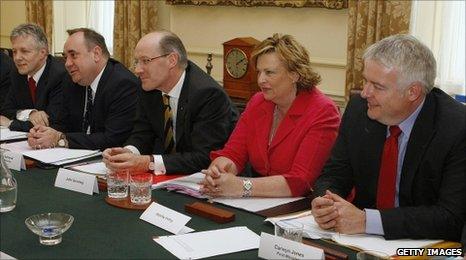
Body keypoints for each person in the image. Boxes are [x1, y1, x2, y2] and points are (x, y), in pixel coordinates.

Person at [311, 34, 465, 241]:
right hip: (361, 242)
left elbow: (450, 217)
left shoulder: (456, 129)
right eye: (365, 81)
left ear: (413, 92)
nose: (365, 93)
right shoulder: (359, 110)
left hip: (427, 246)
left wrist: (367, 221)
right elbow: (334, 174)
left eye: (378, 86)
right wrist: (325, 203)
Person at [200, 34, 340, 198]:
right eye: (259, 72)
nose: (260, 80)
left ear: (295, 74)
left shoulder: (323, 111)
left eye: (269, 73)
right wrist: (218, 171)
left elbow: (301, 180)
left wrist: (242, 186)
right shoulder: (258, 102)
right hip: (261, 201)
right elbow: (233, 153)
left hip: (307, 207)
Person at [102, 30, 238, 174]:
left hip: (207, 179)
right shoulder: (148, 86)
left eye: (145, 61)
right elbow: (142, 133)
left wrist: (149, 163)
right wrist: (128, 153)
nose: (137, 70)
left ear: (172, 60)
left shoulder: (208, 94)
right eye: (136, 62)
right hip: (169, 177)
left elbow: (204, 157)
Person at [27, 28, 138, 150]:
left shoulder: (123, 84)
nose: (67, 63)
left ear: (96, 54)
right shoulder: (70, 80)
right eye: (65, 57)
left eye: (73, 55)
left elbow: (112, 139)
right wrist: (42, 134)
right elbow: (61, 123)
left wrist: (60, 139)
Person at [0, 23, 66, 132]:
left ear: (42, 53)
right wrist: (29, 113)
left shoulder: (59, 75)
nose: (17, 58)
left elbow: (51, 124)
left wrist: (11, 123)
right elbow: (6, 110)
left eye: (24, 51)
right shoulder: (16, 73)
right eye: (14, 51)